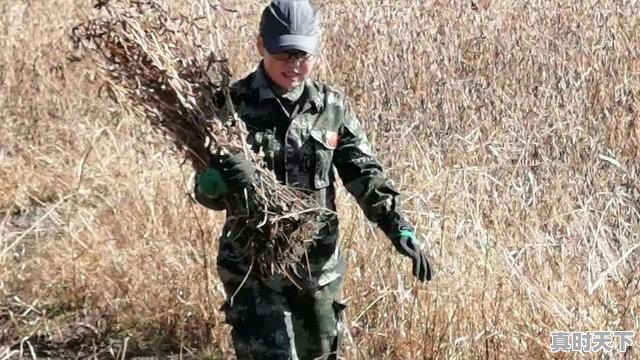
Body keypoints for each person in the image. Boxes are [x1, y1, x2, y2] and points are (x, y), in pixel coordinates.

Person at [193, 0, 433, 359]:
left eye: (302, 55)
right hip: (253, 271)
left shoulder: (331, 107)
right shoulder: (229, 106)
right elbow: (204, 193)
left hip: (317, 270)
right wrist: (222, 180)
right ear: (261, 46)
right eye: (284, 55)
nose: (294, 66)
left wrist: (399, 228)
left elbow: (364, 174)